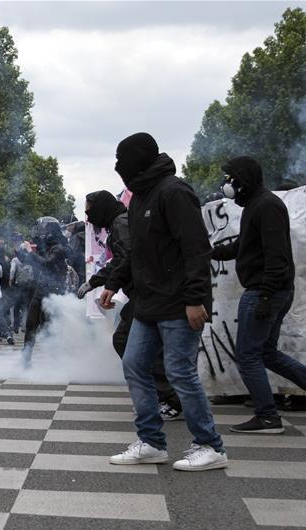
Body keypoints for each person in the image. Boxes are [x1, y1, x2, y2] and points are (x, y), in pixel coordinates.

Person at [100, 132, 227, 471]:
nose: (117, 166)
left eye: (121, 159)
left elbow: (197, 249)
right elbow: (138, 253)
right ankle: (152, 443)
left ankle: (210, 446)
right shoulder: (139, 197)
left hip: (179, 302)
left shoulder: (174, 192)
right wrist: (114, 283)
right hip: (149, 302)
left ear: (138, 160)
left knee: (179, 373)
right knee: (135, 365)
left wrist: (196, 298)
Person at [211, 156, 306, 433]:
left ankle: (268, 417)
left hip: (265, 292)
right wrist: (212, 251)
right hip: (268, 291)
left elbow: (277, 257)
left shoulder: (266, 206)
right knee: (267, 353)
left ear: (242, 179)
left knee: (248, 356)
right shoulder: (257, 205)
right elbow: (245, 245)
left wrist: (264, 297)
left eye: (229, 178)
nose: (226, 184)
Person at [77, 190, 183, 421]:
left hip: (148, 293)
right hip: (145, 293)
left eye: (89, 211)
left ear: (102, 208)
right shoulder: (120, 223)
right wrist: (94, 281)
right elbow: (120, 261)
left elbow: (129, 258)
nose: (87, 217)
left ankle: (168, 398)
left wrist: (110, 285)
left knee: (131, 342)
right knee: (137, 344)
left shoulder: (121, 224)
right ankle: (162, 395)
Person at [19, 217, 69, 365]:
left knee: (49, 326)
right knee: (31, 324)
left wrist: (30, 251)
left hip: (53, 291)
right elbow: (33, 263)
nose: (41, 233)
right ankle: (26, 358)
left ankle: (57, 361)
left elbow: (46, 264)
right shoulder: (46, 247)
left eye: (44, 230)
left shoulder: (59, 248)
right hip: (41, 288)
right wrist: (20, 251)